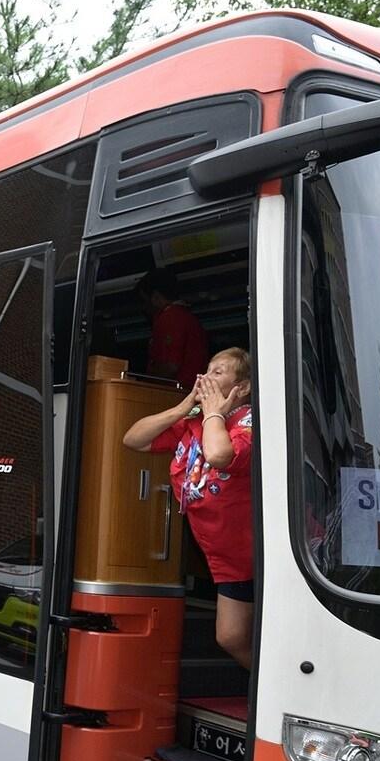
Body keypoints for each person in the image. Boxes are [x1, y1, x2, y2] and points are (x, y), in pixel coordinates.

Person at [123, 347, 254, 668]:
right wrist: (183, 407)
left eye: (218, 372)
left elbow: (220, 455)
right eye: (206, 371)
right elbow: (133, 439)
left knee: (238, 636)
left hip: (257, 554)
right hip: (226, 557)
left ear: (244, 387)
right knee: (233, 637)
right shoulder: (192, 422)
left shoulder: (249, 420)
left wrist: (213, 414)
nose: (205, 378)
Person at [137, 267, 208, 392]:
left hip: (175, 396)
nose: (143, 308)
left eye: (144, 301)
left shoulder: (169, 317)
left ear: (156, 297)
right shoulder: (188, 317)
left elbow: (170, 366)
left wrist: (142, 382)